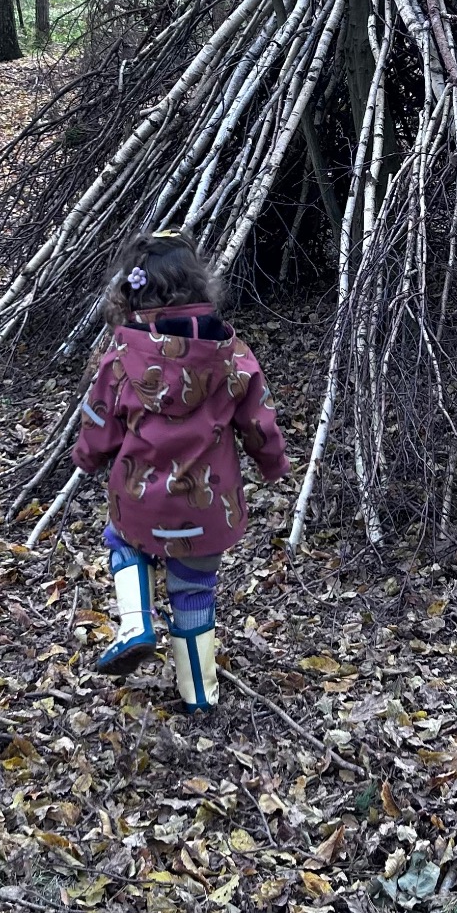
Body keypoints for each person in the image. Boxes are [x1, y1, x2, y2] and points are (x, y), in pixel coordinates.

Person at [72, 228, 288, 714]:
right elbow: (260, 419)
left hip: (140, 501)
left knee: (122, 541)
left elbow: (99, 419)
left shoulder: (121, 359)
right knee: (194, 591)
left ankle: (136, 623)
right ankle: (200, 696)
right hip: (209, 507)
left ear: (132, 295)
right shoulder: (232, 355)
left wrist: (87, 456)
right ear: (198, 286)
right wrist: (272, 463)